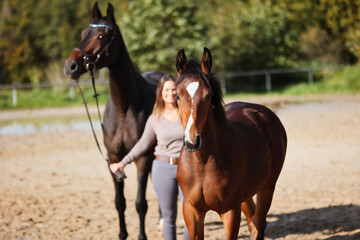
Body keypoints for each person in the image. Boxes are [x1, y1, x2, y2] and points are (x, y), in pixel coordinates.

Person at [110, 74, 190, 240]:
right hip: (163, 170)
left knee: (191, 214)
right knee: (168, 217)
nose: (170, 93)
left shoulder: (187, 114)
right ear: (161, 93)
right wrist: (122, 163)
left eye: (173, 89)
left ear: (178, 91)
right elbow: (142, 145)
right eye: (166, 89)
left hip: (187, 169)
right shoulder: (155, 119)